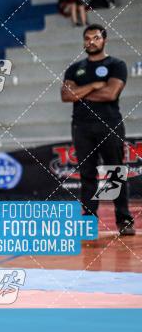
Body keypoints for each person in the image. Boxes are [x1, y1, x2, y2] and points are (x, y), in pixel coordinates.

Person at [61, 24, 135, 236]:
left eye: (95, 38)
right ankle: (89, 219)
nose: (91, 41)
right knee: (87, 173)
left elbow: (111, 94)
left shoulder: (116, 65)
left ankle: (124, 220)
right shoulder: (75, 68)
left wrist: (79, 93)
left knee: (115, 172)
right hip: (81, 126)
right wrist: (94, 86)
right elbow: (66, 96)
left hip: (109, 123)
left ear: (104, 40)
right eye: (87, 38)